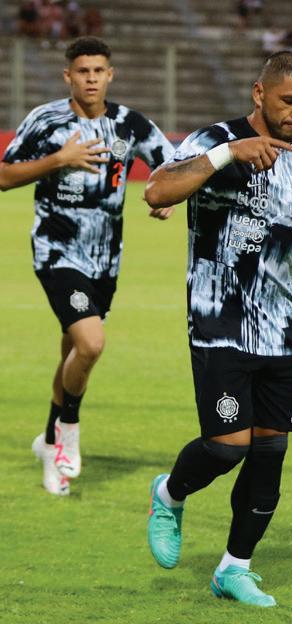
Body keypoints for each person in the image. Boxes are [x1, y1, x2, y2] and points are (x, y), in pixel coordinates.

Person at [144, 51, 292, 607]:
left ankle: (234, 568)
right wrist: (227, 154)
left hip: (282, 327)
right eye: (289, 101)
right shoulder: (214, 141)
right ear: (259, 93)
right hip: (220, 323)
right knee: (226, 447)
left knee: (269, 452)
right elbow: (157, 192)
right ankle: (169, 493)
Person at [0, 36, 174, 496]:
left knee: (72, 354)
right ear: (68, 76)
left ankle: (49, 443)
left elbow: (171, 167)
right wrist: (59, 159)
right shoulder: (47, 121)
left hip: (105, 259)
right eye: (83, 71)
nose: (91, 79)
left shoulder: (130, 124)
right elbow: (4, 175)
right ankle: (69, 431)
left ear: (110, 75)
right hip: (57, 252)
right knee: (91, 343)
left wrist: (165, 198)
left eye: (98, 71)